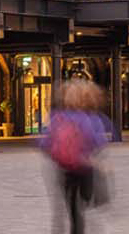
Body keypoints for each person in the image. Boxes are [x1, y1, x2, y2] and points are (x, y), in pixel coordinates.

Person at [39, 79, 112, 234]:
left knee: (72, 207)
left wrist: (59, 151)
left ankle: (74, 224)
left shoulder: (57, 117)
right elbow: (98, 141)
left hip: (66, 168)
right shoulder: (89, 118)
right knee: (81, 206)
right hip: (83, 168)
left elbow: (44, 143)